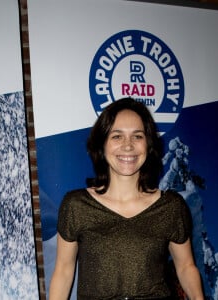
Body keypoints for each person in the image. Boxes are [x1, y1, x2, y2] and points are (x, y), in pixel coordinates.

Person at [49, 97, 204, 300]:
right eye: (117, 136)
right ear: (102, 145)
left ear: (148, 145)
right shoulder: (76, 206)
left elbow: (185, 267)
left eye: (137, 136)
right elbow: (63, 271)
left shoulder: (171, 207)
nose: (128, 146)